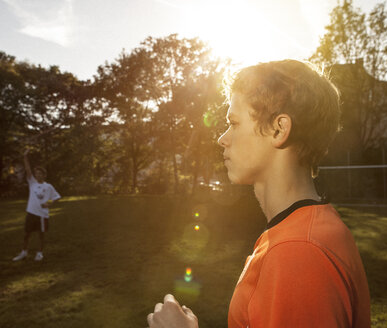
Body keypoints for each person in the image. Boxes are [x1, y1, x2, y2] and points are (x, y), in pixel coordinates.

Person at [146, 59, 371, 328]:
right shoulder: (303, 231)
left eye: (234, 122)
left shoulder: (297, 254)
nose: (223, 138)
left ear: (278, 129)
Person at [12, 149, 61, 262]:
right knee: (26, 234)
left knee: (41, 235)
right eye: (36, 174)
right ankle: (24, 252)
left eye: (40, 174)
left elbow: (57, 197)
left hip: (42, 215)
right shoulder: (32, 183)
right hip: (31, 213)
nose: (37, 175)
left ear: (44, 175)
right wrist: (25, 157)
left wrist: (49, 204)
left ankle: (39, 253)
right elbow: (28, 170)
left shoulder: (48, 186)